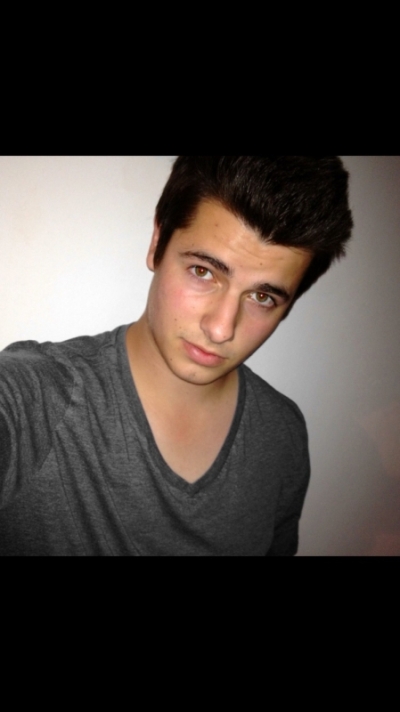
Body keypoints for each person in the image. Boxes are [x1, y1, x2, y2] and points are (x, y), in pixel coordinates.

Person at [0, 156, 353, 556]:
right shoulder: (32, 398)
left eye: (261, 297)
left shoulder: (283, 434)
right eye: (203, 271)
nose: (221, 328)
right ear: (157, 243)